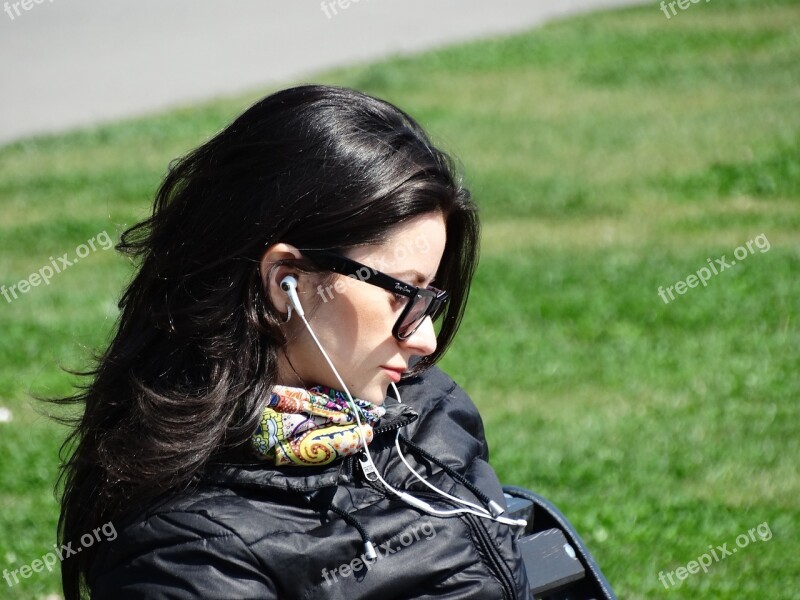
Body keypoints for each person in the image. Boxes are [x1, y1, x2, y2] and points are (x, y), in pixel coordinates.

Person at [52, 84, 532, 599]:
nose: (426, 341)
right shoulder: (186, 553)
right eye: (401, 295)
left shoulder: (426, 411)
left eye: (429, 299)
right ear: (286, 282)